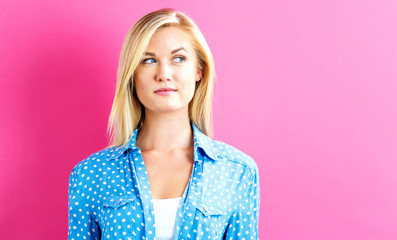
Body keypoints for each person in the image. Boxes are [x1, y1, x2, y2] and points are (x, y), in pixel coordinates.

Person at [68, 8, 260, 240]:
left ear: (199, 71)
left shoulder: (237, 170)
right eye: (149, 60)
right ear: (132, 75)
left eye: (178, 59)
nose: (164, 74)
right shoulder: (90, 174)